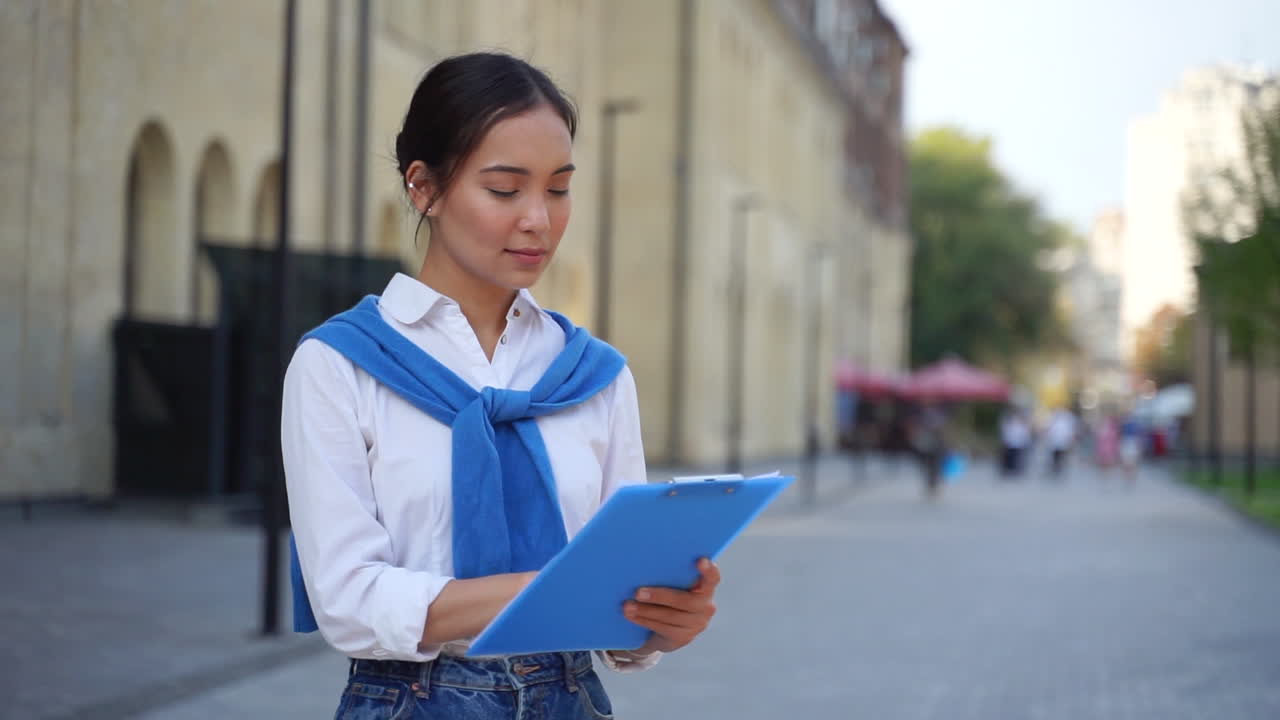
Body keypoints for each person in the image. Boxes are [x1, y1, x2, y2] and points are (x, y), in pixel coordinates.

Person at [281, 53, 719, 719]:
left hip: (572, 699)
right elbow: (346, 600)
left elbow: (622, 613)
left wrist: (662, 619)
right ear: (423, 187)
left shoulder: (594, 375)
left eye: (559, 188)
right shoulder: (340, 364)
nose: (539, 221)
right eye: (506, 190)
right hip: (411, 700)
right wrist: (555, 590)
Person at [1044, 407, 1077, 478]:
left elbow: (1069, 432)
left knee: (1061, 457)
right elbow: (1049, 431)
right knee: (1055, 457)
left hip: (1062, 443)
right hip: (1055, 443)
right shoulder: (1054, 421)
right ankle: (1055, 469)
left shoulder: (1066, 422)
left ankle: (1059, 469)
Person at [998, 406, 1030, 478]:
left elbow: (1023, 433)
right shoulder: (1009, 422)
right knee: (1009, 457)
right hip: (1010, 442)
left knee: (1016, 457)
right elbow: (1005, 431)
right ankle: (1008, 470)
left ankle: (1015, 470)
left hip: (1017, 443)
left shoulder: (1021, 423)